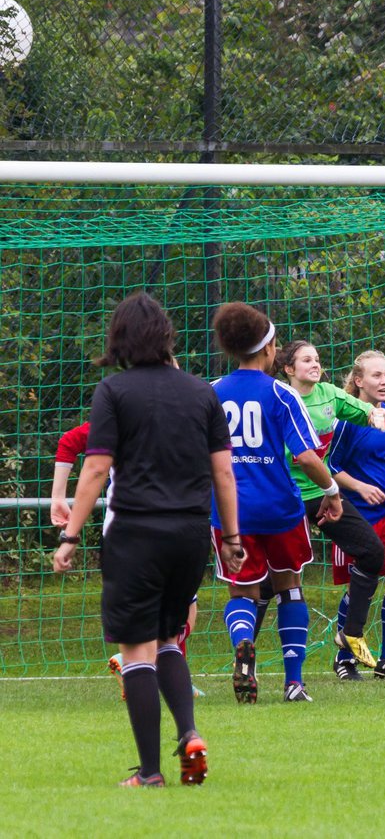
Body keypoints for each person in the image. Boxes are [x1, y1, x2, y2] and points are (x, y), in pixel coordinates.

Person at [51, 291, 240, 787]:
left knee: (136, 652)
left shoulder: (114, 391)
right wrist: (231, 537)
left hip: (136, 534)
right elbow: (224, 473)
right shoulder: (202, 391)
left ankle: (151, 773)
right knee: (170, 640)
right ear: (166, 337)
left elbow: (95, 469)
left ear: (119, 339)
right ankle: (190, 733)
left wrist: (71, 535)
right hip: (191, 535)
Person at [210, 304, 345, 704]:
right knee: (289, 588)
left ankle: (243, 650)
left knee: (242, 592)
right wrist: (333, 493)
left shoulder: (212, 391)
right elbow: (305, 455)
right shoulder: (280, 394)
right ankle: (293, 682)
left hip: (231, 511)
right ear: (268, 349)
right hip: (279, 508)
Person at [52, 420, 206, 698]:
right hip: (170, 527)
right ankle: (157, 672)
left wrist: (58, 497)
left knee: (154, 610)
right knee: (180, 611)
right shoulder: (183, 408)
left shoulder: (120, 411)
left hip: (125, 534)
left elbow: (70, 444)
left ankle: (155, 670)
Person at [277, 340, 385, 671]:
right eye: (306, 360)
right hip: (283, 498)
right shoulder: (279, 398)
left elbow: (361, 409)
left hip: (321, 495)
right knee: (273, 583)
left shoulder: (328, 394)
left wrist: (375, 414)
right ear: (289, 369)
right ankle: (245, 654)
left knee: (372, 552)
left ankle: (351, 633)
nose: (315, 364)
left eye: (317, 359)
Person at [326, 350, 385, 681]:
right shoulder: (347, 421)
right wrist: (360, 487)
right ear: (359, 381)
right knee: (361, 585)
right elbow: (330, 468)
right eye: (377, 376)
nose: (384, 381)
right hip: (355, 513)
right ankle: (344, 657)